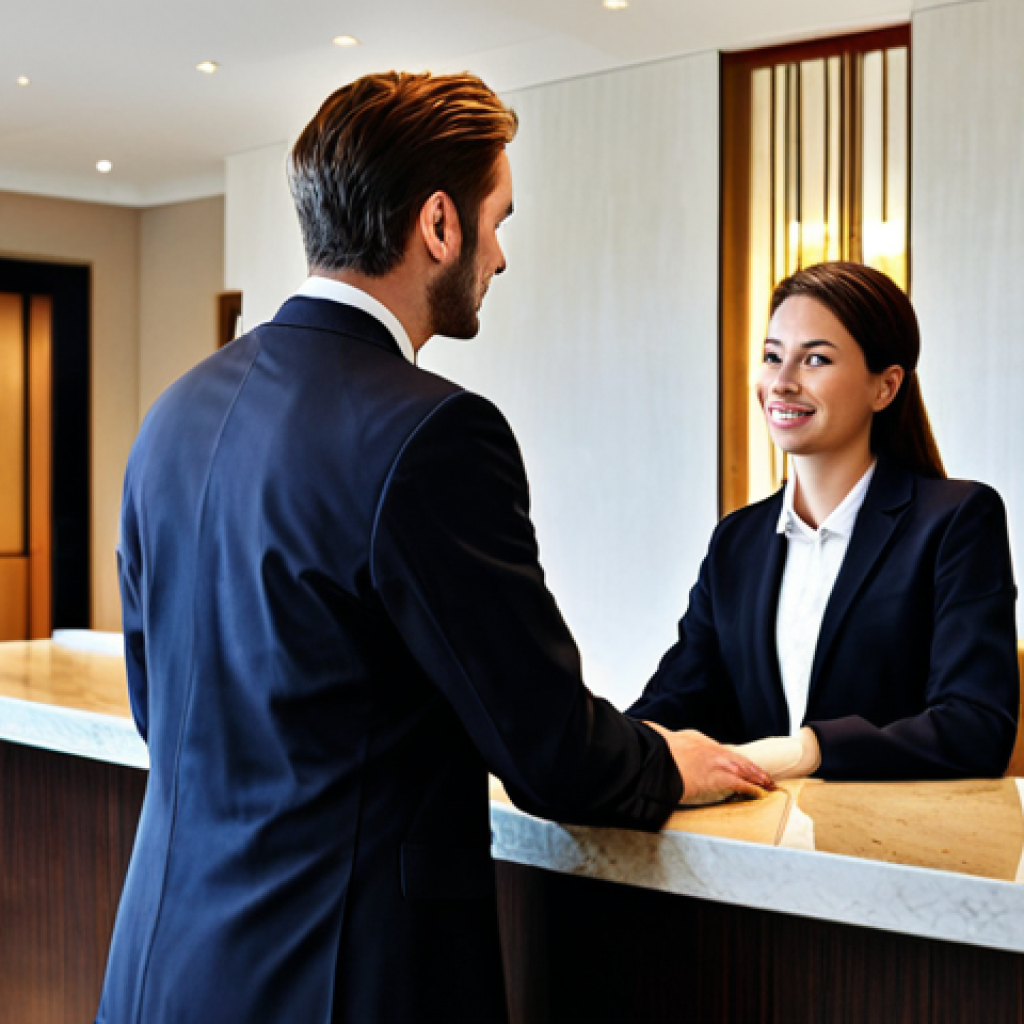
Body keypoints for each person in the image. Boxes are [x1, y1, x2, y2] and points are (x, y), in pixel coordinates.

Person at [96, 72, 770, 1024]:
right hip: (339, 978)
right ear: (439, 224)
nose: (502, 255)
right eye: (498, 219)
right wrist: (667, 761)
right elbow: (545, 749)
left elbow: (157, 708)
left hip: (159, 968)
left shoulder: (174, 412)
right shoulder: (435, 435)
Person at [629, 261, 1019, 783]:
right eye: (772, 357)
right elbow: (675, 704)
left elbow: (977, 728)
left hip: (893, 852)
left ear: (885, 387)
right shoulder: (737, 541)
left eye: (815, 359)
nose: (783, 383)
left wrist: (806, 752)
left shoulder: (956, 521)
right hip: (756, 850)